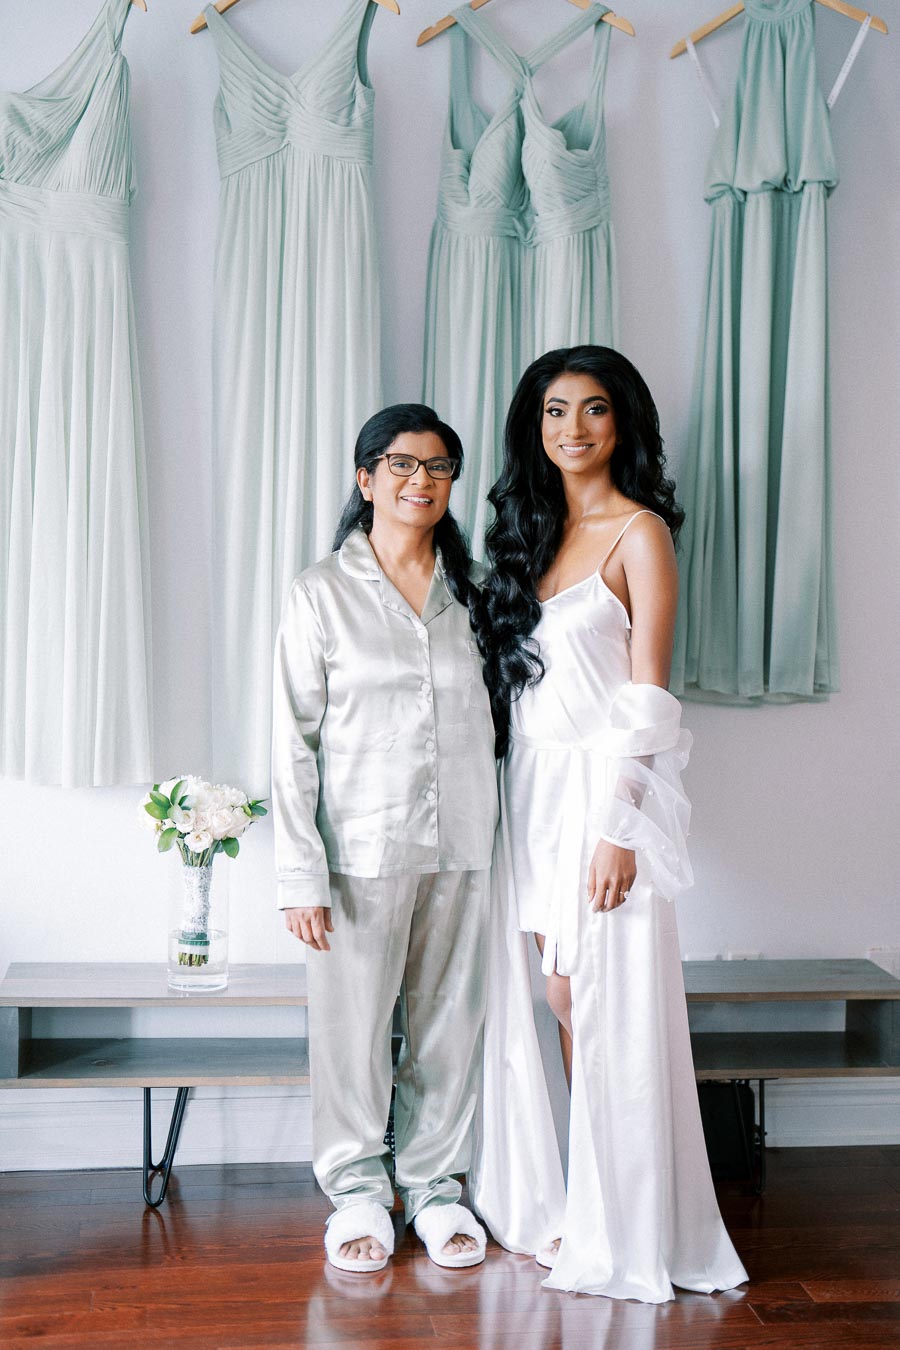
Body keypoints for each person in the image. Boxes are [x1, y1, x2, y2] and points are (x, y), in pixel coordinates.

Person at [470, 347, 749, 1302]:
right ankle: (580, 1196)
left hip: (602, 796)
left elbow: (647, 700)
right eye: (555, 410)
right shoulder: (530, 532)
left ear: (621, 423)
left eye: (593, 410)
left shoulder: (642, 535)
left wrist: (619, 828)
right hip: (532, 797)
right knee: (553, 995)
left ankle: (625, 1221)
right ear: (534, 425)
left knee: (599, 1004)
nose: (573, 428)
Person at [272, 404, 498, 1274]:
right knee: (353, 1034)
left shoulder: (474, 593)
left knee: (448, 1028)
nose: (421, 481)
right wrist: (300, 875)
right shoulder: (320, 591)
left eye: (439, 468)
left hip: (466, 840)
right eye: (402, 465)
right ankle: (357, 1190)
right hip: (357, 852)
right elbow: (292, 739)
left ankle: (438, 1188)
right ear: (366, 479)